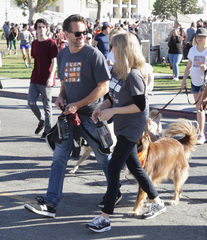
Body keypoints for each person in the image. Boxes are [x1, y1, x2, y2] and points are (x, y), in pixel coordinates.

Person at [24, 14, 122, 218]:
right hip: (69, 117)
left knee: (104, 158)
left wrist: (78, 104)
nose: (82, 36)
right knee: (59, 158)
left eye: (85, 33)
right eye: (77, 33)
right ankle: (51, 204)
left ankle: (115, 191)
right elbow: (65, 84)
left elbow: (103, 87)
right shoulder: (62, 55)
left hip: (91, 116)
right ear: (66, 34)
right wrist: (61, 97)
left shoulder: (93, 55)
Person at [86, 32, 166, 233]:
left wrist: (112, 111)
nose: (110, 49)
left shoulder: (134, 75)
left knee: (113, 169)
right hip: (122, 127)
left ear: (122, 49)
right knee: (136, 167)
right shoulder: (116, 71)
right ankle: (157, 201)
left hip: (132, 128)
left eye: (113, 46)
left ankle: (105, 218)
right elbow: (112, 98)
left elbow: (140, 106)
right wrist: (101, 107)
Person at [27, 18, 58, 140]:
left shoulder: (51, 43)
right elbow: (35, 58)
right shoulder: (34, 43)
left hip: (47, 79)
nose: (41, 29)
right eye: (38, 27)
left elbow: (54, 61)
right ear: (35, 29)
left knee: (47, 106)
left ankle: (48, 130)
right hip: (35, 78)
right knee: (31, 102)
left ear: (47, 28)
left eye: (43, 27)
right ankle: (42, 120)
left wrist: (51, 77)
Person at [181, 27, 207, 145]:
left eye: (202, 36)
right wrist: (184, 80)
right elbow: (188, 66)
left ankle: (201, 133)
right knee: (199, 108)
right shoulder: (192, 50)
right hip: (195, 82)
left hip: (205, 83)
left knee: (201, 107)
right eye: (198, 36)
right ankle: (201, 133)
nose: (200, 38)